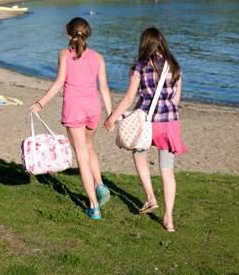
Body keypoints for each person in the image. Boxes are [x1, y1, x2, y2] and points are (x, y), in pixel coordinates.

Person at [29, 17, 113, 220]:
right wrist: (111, 115)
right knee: (90, 146)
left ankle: (94, 206)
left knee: (82, 157)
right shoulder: (98, 57)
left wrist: (40, 104)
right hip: (93, 108)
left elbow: (59, 83)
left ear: (68, 34)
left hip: (74, 109)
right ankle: (100, 185)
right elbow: (103, 88)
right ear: (88, 33)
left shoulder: (64, 55)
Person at [104, 27, 186, 232]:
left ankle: (150, 197)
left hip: (148, 122)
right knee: (167, 170)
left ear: (144, 44)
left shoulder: (139, 66)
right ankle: (168, 218)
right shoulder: (174, 65)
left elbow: (129, 98)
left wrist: (112, 118)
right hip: (170, 123)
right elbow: (176, 99)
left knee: (138, 154)